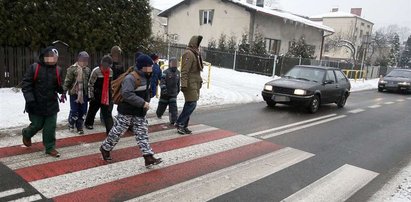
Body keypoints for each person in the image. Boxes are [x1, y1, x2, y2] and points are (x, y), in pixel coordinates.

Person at [100, 54, 162, 167]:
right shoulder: (131, 78)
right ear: (143, 67)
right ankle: (105, 148)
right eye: (149, 66)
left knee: (142, 133)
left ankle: (148, 157)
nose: (151, 68)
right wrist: (143, 103)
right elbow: (127, 94)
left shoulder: (147, 76)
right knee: (118, 131)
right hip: (126, 111)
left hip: (139, 111)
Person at [21, 46, 64, 157]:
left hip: (51, 104)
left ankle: (50, 147)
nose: (51, 60)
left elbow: (59, 86)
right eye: (48, 57)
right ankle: (26, 133)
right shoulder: (35, 68)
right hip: (36, 103)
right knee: (37, 125)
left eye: (53, 58)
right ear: (43, 57)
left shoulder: (58, 70)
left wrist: (62, 89)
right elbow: (26, 85)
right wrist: (30, 99)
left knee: (50, 127)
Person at [175, 35, 204, 135]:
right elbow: (184, 70)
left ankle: (184, 125)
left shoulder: (195, 54)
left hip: (194, 83)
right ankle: (180, 123)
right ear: (194, 44)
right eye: (198, 44)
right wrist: (183, 84)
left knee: (189, 104)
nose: (199, 46)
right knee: (192, 104)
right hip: (189, 84)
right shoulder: (189, 54)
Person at [63, 51, 91, 134]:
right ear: (78, 59)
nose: (84, 62)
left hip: (84, 94)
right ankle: (71, 123)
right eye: (83, 60)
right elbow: (67, 81)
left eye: (86, 60)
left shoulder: (88, 70)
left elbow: (89, 82)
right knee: (74, 111)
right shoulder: (72, 69)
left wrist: (90, 94)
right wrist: (64, 91)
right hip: (74, 94)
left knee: (83, 111)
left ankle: (79, 126)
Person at [84, 55, 114, 135]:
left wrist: (111, 93)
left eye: (109, 66)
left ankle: (110, 130)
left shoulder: (110, 71)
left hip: (106, 95)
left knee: (107, 113)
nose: (107, 68)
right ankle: (88, 123)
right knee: (92, 110)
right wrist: (91, 96)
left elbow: (110, 84)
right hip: (96, 94)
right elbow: (90, 84)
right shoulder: (96, 71)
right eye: (106, 66)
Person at [101, 46, 124, 126]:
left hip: (116, 85)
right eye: (116, 54)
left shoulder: (120, 64)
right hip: (107, 85)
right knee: (106, 103)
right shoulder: (107, 61)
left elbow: (122, 74)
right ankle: (104, 118)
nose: (117, 56)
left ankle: (113, 117)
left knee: (114, 102)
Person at [156, 57, 180, 125]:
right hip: (165, 94)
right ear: (170, 64)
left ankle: (173, 120)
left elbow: (178, 83)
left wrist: (178, 90)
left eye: (176, 63)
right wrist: (164, 90)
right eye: (173, 63)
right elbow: (162, 82)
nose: (174, 65)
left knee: (173, 108)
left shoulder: (178, 72)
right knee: (162, 106)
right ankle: (159, 114)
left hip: (173, 94)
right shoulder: (165, 72)